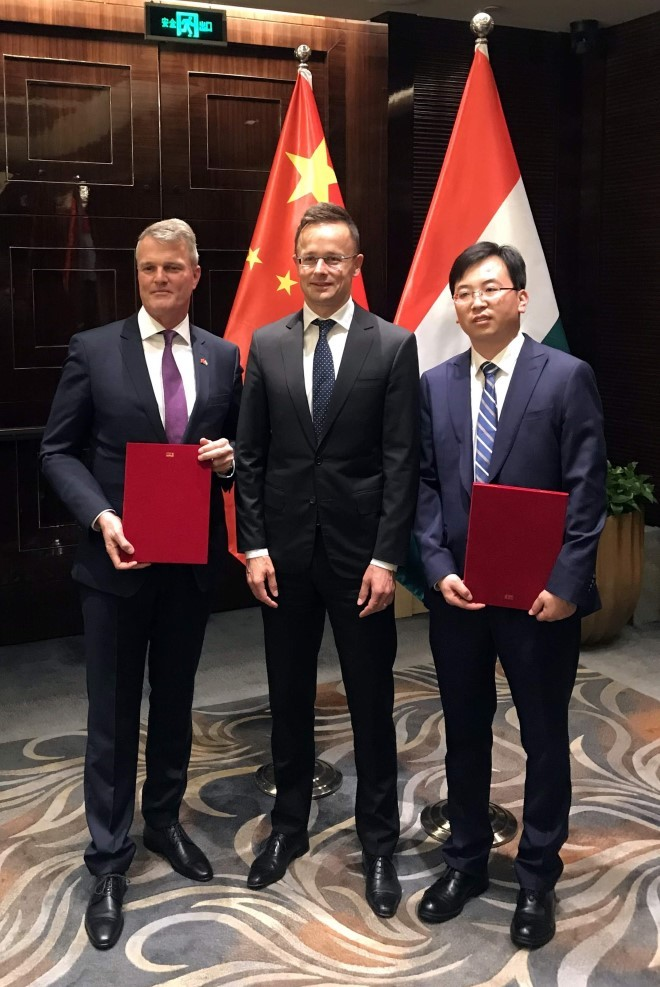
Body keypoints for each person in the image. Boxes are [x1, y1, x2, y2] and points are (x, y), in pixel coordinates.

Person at [40, 219, 242, 950]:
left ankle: (163, 819)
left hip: (190, 568)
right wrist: (101, 516)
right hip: (115, 565)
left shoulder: (223, 357)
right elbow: (57, 450)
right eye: (149, 268)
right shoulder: (94, 350)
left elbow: (243, 449)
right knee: (112, 715)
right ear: (138, 274)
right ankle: (108, 858)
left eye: (173, 267)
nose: (160, 278)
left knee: (177, 700)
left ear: (195, 274)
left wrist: (229, 458)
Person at [414, 242, 607, 948]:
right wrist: (436, 566)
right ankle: (464, 860)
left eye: (491, 288)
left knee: (543, 736)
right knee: (462, 733)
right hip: (460, 597)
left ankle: (535, 875)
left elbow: (588, 488)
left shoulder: (565, 376)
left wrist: (567, 582)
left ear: (521, 298)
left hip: (538, 603)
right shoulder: (433, 383)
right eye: (464, 291)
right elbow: (426, 486)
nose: (478, 301)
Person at [235, 203, 419, 919]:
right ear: (296, 260)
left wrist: (387, 556)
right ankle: (288, 827)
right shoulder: (267, 342)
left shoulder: (392, 345)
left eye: (333, 258)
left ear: (355, 265)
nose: (319, 268)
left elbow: (402, 461)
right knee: (287, 698)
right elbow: (251, 456)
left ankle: (379, 842)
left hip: (361, 561)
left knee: (371, 701)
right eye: (308, 256)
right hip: (282, 558)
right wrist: (252, 544)